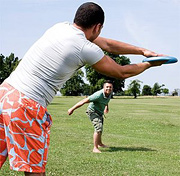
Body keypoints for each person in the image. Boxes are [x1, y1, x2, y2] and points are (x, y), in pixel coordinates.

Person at [0, 2, 165, 176]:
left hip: (5, 93)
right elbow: (120, 71)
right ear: (98, 27)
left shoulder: (59, 27)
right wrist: (148, 64)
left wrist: (142, 51)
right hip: (25, 105)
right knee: (35, 171)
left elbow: (108, 45)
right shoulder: (84, 47)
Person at [68, 80, 113, 153]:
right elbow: (84, 101)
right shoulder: (98, 95)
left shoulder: (109, 94)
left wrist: (106, 107)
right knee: (98, 127)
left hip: (100, 112)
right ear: (103, 87)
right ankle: (95, 148)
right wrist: (72, 109)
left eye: (110, 87)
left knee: (100, 128)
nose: (108, 88)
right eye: (107, 87)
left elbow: (106, 100)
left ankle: (100, 144)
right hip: (92, 111)